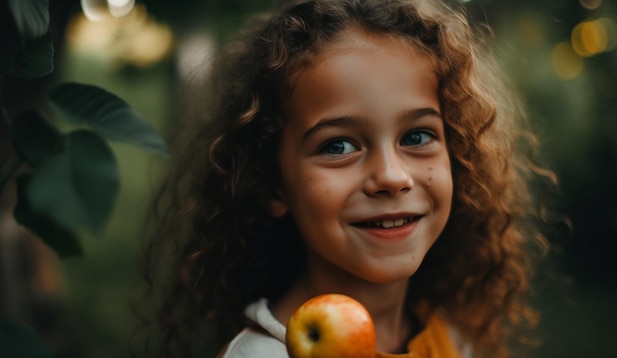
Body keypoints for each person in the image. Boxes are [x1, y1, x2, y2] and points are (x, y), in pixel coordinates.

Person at [140, 0, 554, 357]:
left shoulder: (448, 338)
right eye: (338, 146)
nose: (392, 177)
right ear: (272, 183)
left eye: (417, 136)